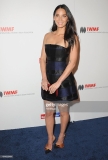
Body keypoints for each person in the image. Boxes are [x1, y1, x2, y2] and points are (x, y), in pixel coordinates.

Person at [40, 4, 79, 153]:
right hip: (48, 82)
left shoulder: (72, 37)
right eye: (57, 15)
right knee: (49, 112)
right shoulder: (47, 36)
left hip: (63, 83)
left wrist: (57, 83)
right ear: (53, 17)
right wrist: (44, 78)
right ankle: (50, 138)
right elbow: (43, 59)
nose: (60, 19)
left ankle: (61, 136)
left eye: (64, 15)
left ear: (68, 18)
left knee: (63, 112)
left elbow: (72, 63)